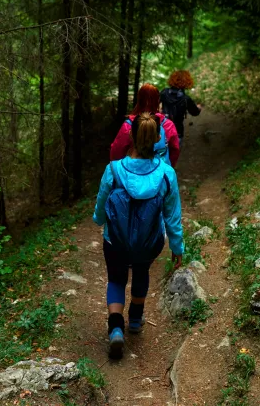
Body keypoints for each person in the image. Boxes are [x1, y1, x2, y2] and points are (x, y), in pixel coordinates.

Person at [93, 113, 184, 359]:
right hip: (149, 241)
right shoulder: (166, 174)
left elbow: (102, 204)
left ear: (130, 136)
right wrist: (177, 247)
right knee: (141, 271)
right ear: (157, 139)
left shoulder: (113, 170)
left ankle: (115, 329)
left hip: (116, 241)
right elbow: (172, 216)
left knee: (116, 279)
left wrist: (99, 220)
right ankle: (135, 320)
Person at [110, 84, 181, 167]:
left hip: (133, 175)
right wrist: (168, 169)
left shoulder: (129, 125)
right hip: (160, 175)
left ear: (139, 99)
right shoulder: (168, 125)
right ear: (158, 100)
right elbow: (175, 150)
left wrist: (119, 171)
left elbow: (116, 151)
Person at [160, 70, 203, 145]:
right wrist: (198, 108)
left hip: (162, 130)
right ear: (187, 82)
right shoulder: (186, 99)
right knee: (173, 155)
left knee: (159, 154)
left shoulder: (164, 92)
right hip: (177, 132)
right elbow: (195, 112)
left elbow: (153, 104)